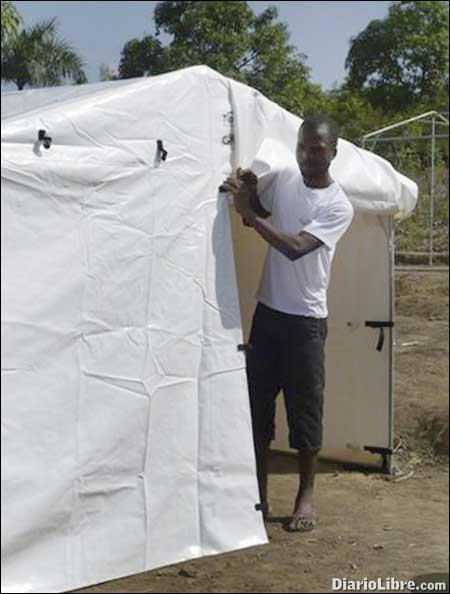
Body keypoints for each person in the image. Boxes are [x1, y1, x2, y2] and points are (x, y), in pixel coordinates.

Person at [221, 115, 354, 532]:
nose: (308, 155)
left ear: (333, 152)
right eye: (302, 147)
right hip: (269, 313)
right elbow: (264, 212)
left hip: (306, 323)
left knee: (305, 411)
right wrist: (249, 194)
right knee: (257, 405)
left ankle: (305, 498)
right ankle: (257, 494)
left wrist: (249, 214)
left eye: (317, 149)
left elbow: (296, 247)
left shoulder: (339, 205)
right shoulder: (284, 179)